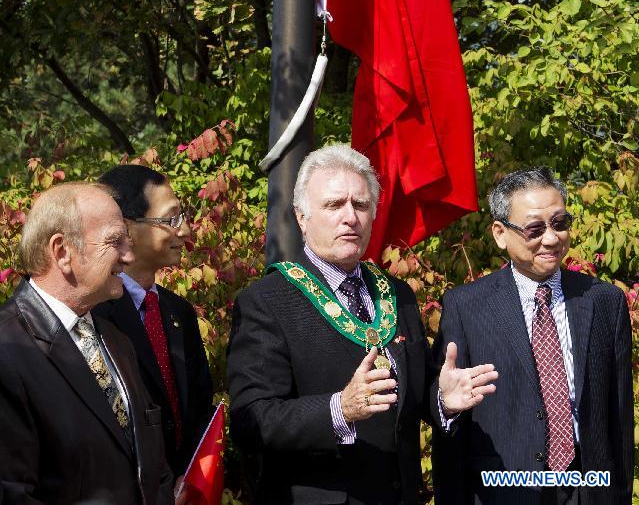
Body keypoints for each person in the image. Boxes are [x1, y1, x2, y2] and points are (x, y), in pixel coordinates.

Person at [227, 144, 498, 505]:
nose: (350, 217)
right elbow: (251, 421)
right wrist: (340, 409)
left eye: (360, 204)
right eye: (333, 205)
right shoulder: (267, 301)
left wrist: (441, 399)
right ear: (301, 217)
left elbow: (409, 400)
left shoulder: (397, 294)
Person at [432, 166, 634, 505]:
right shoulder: (466, 306)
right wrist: (445, 407)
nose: (552, 239)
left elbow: (619, 417)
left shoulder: (603, 301)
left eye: (559, 223)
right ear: (500, 233)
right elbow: (447, 414)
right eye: (535, 228)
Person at [0, 182, 173, 505]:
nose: (129, 256)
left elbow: (152, 462)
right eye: (114, 241)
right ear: (62, 252)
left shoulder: (116, 341)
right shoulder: (8, 350)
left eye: (128, 241)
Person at [94, 165, 213, 481]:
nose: (185, 231)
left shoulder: (179, 313)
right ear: (126, 229)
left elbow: (199, 407)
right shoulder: (94, 315)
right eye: (170, 219)